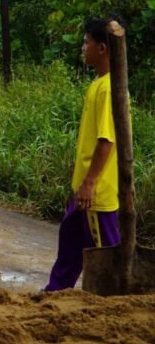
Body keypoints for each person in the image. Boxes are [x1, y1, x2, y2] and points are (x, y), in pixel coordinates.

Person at [44, 17, 121, 291]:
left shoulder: (111, 88)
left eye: (87, 41)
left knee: (104, 258)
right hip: (83, 193)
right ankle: (53, 296)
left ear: (102, 48)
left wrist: (90, 183)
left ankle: (111, 308)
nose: (82, 47)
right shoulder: (98, 85)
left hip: (96, 196)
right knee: (69, 248)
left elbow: (106, 141)